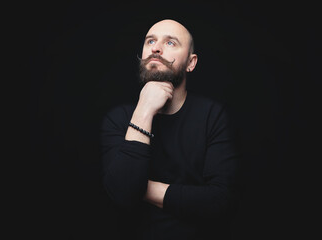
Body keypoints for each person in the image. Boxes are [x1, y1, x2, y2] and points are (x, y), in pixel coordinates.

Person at [100, 19, 239, 240]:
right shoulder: (118, 118)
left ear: (190, 63)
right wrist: (144, 108)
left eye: (171, 43)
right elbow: (122, 195)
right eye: (150, 41)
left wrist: (139, 189)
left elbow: (219, 200)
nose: (155, 48)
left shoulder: (212, 116)